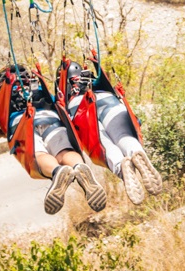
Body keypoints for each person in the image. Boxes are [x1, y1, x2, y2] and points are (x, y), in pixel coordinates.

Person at [0, 65, 107, 215]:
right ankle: (78, 166)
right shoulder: (37, 88)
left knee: (38, 155)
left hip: (23, 125)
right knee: (64, 151)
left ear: (1, 83)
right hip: (51, 118)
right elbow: (57, 104)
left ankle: (57, 171)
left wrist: (2, 133)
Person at [64, 62, 162, 205]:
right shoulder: (96, 81)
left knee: (103, 143)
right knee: (123, 135)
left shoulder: (66, 93)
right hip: (108, 97)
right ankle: (136, 151)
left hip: (80, 106)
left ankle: (120, 165)